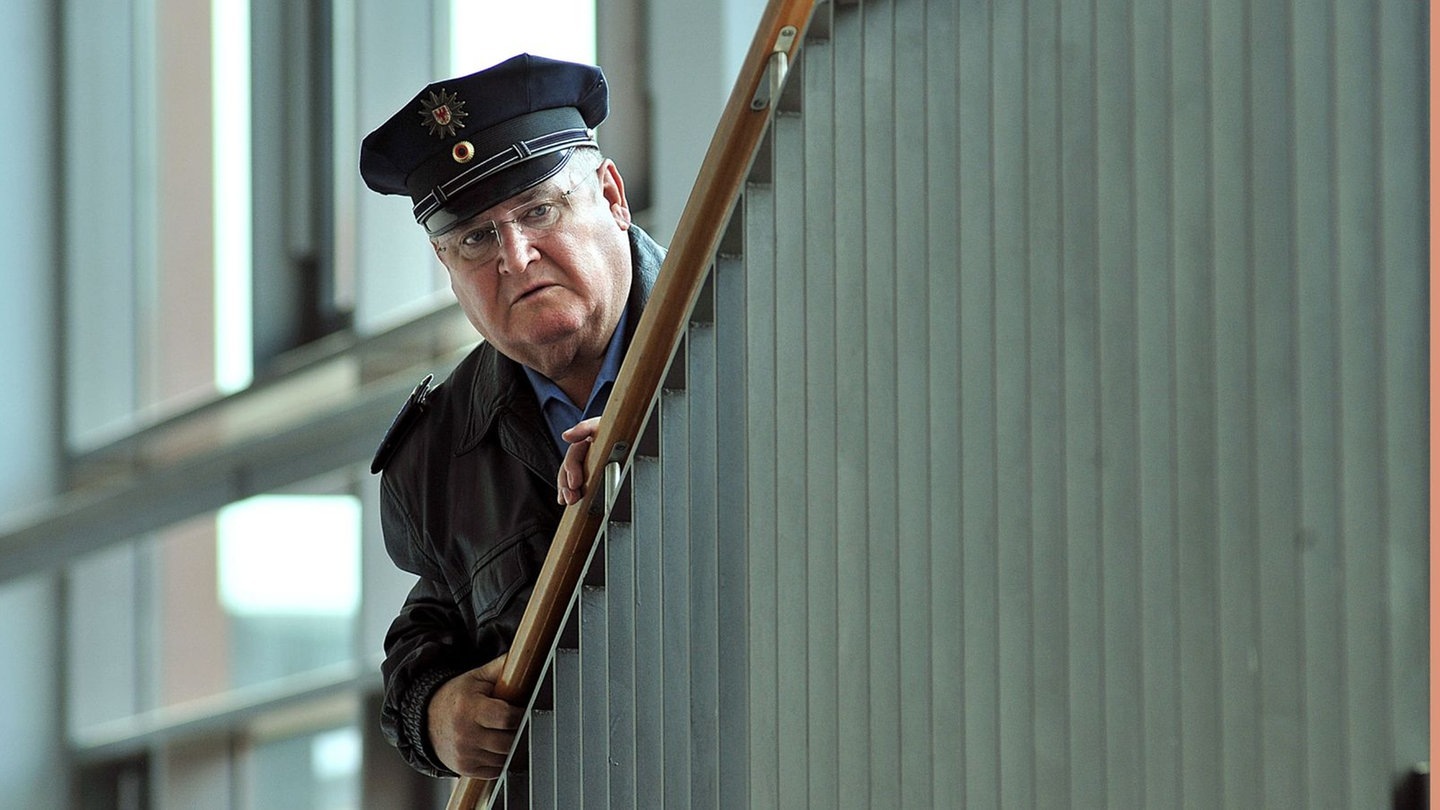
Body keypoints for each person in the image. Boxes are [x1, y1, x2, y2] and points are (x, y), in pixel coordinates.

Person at [358, 53, 664, 780]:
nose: (518, 257)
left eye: (538, 210)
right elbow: (427, 632)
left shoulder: (742, 323)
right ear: (446, 264)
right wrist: (434, 715)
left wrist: (666, 444)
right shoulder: (435, 459)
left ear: (612, 196)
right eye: (476, 238)